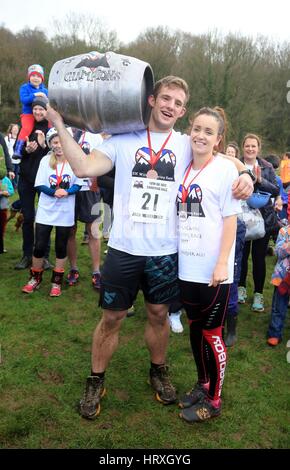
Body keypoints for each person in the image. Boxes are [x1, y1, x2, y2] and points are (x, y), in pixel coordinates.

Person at [47, 75, 253, 420]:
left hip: (165, 252)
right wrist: (57, 124)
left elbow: (223, 160)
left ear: (182, 110)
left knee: (159, 315)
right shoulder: (123, 140)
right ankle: (96, 379)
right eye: (165, 98)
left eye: (177, 102)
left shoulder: (187, 141)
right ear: (152, 101)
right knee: (111, 317)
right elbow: (83, 166)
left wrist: (246, 172)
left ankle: (158, 371)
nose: (170, 106)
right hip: (125, 250)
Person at [177, 107, 241, 423]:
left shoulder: (225, 170)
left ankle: (214, 401)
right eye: (197, 129)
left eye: (208, 132)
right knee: (194, 329)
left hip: (213, 271)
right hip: (186, 267)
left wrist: (220, 264)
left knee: (212, 333)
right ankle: (203, 384)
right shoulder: (184, 169)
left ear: (218, 140)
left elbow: (230, 222)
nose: (200, 136)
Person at [22, 128, 82, 296]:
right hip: (46, 211)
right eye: (55, 142)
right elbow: (39, 184)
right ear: (50, 144)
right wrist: (53, 192)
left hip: (65, 211)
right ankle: (35, 278)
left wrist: (68, 192)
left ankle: (56, 282)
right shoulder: (45, 160)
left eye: (61, 141)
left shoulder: (74, 161)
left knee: (61, 246)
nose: (59, 145)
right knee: (39, 245)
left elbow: (79, 183)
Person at [238, 134, 280, 311]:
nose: (250, 149)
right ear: (243, 147)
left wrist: (261, 181)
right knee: (241, 257)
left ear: (258, 148)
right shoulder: (236, 164)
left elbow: (276, 189)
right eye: (247, 146)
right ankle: (241, 290)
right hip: (241, 218)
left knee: (258, 259)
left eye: (253, 146)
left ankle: (258, 295)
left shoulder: (266, 167)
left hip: (263, 219)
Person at [15, 96, 52, 270]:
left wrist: (44, 146)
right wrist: (26, 150)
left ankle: (44, 256)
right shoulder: (26, 127)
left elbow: (57, 152)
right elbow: (17, 151)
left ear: (47, 110)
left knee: (45, 219)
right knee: (28, 218)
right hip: (26, 179)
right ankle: (27, 255)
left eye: (41, 109)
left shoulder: (52, 128)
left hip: (44, 180)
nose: (38, 111)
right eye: (35, 108)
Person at [66, 129, 103, 289]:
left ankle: (96, 271)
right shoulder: (64, 131)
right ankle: (73, 269)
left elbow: (102, 161)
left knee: (94, 231)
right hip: (68, 188)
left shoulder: (94, 135)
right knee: (70, 230)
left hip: (89, 188)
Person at [13, 64, 48, 159]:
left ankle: (50, 143)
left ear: (42, 78)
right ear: (29, 77)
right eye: (33, 75)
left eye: (38, 76)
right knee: (27, 128)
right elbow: (24, 100)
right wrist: (36, 94)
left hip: (43, 115)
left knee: (51, 125)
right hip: (28, 114)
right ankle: (18, 149)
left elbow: (49, 103)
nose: (35, 78)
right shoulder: (24, 88)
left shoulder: (45, 90)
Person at [267, 224, 290, 346]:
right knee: (278, 307)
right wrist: (288, 247)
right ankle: (274, 333)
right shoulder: (284, 231)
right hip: (282, 277)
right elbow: (278, 253)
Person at [0, 167, 14, 253]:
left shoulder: (6, 179)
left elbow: (11, 190)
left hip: (3, 208)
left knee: (2, 228)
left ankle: (1, 247)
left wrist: (7, 192)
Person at [5, 123, 20, 188]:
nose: (16, 130)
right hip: (10, 160)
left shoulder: (20, 138)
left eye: (17, 129)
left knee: (17, 175)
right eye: (14, 128)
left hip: (18, 161)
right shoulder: (7, 138)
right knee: (10, 175)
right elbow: (5, 149)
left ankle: (15, 187)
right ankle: (9, 187)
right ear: (11, 130)